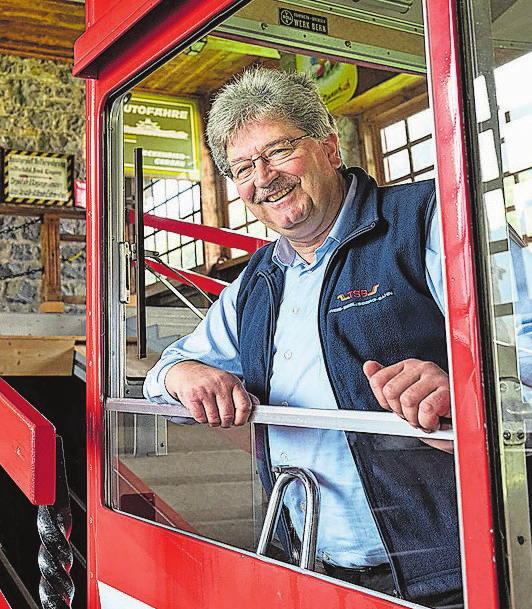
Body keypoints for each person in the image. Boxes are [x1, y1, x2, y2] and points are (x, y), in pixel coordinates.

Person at [144, 68, 463, 608]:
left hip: (450, 569)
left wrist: (463, 387)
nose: (263, 177)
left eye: (279, 151)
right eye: (243, 167)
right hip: (307, 565)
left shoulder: (430, 220)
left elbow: (520, 347)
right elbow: (164, 371)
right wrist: (184, 374)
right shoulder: (256, 281)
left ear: (331, 148)